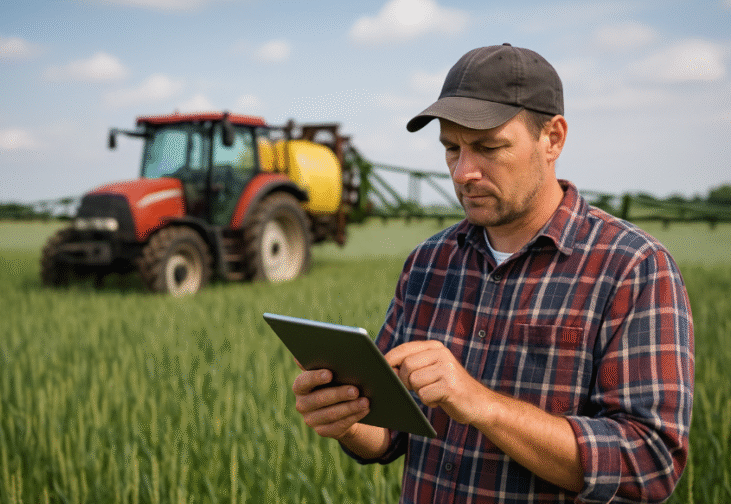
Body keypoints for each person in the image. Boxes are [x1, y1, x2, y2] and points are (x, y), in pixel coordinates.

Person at [292, 44, 694, 503]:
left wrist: (482, 405)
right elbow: (390, 434)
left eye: (488, 147)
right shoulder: (429, 262)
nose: (464, 172)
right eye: (451, 149)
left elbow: (650, 465)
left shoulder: (632, 267)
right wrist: (346, 418)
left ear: (553, 139)